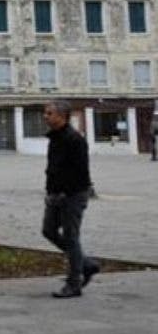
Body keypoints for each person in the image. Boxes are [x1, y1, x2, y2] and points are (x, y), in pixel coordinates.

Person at [42, 100, 100, 298]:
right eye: (45, 113)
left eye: (49, 113)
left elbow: (80, 172)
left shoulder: (74, 139)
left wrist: (65, 194)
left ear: (62, 116)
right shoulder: (54, 137)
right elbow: (53, 169)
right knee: (48, 230)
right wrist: (50, 192)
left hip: (72, 195)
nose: (46, 116)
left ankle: (74, 283)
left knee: (70, 237)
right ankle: (86, 263)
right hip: (55, 195)